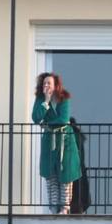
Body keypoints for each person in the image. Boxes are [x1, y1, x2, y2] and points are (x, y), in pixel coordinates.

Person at [32, 72, 81, 215]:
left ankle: (64, 208)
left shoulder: (63, 98)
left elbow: (63, 119)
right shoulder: (41, 99)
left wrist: (46, 123)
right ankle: (53, 208)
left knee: (65, 174)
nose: (46, 85)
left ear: (56, 85)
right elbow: (35, 117)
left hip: (65, 140)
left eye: (49, 83)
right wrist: (46, 102)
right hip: (49, 141)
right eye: (44, 83)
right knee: (51, 174)